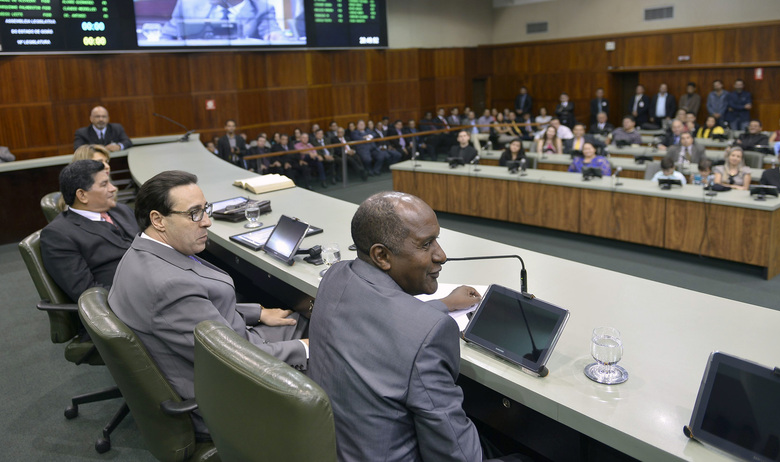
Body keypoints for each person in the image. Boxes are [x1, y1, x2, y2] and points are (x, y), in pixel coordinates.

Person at [307, 191, 525, 462]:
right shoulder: (430, 333)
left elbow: (383, 322)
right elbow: (457, 456)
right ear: (381, 256)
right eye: (426, 244)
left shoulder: (335, 275)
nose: (442, 255)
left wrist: (444, 304)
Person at [109, 170, 308, 436]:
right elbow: (236, 359)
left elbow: (198, 310)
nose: (207, 222)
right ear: (158, 220)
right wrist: (304, 349)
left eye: (205, 209)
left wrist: (258, 313)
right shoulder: (169, 286)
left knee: (306, 320)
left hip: (227, 344)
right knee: (333, 349)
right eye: (194, 214)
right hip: (227, 392)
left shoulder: (141, 252)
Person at [40, 160, 137, 302]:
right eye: (104, 184)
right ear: (82, 195)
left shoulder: (121, 210)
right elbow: (87, 293)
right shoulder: (58, 235)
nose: (113, 188)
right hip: (124, 302)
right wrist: (141, 293)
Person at [161, 0, 284, 42]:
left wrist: (276, 37)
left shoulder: (261, 9)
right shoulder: (187, 6)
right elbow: (166, 37)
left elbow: (272, 32)